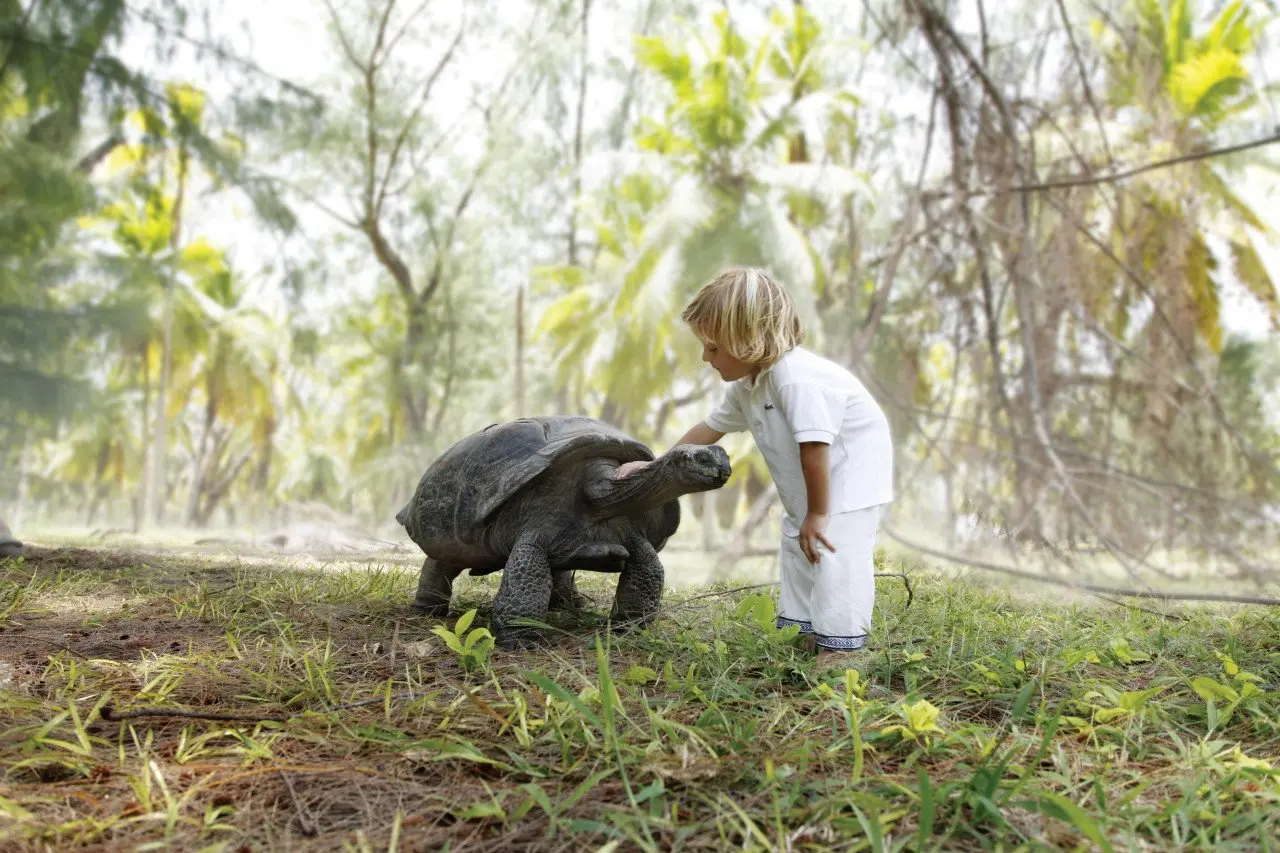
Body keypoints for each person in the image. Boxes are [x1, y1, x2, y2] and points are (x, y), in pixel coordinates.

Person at [616, 267, 893, 659]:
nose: (704, 357)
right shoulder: (749, 386)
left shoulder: (795, 378)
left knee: (835, 553)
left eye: (713, 348)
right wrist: (654, 468)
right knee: (799, 546)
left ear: (748, 340)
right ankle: (805, 630)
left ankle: (843, 651)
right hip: (811, 488)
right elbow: (708, 429)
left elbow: (815, 446)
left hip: (850, 478)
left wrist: (817, 512)